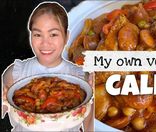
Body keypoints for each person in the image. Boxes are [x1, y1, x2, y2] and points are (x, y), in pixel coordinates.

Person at [1, 2, 93, 131]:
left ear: (67, 37)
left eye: (53, 34)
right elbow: (3, 110)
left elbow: (90, 127)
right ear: (30, 37)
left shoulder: (83, 76)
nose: (45, 43)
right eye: (38, 35)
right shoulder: (14, 73)